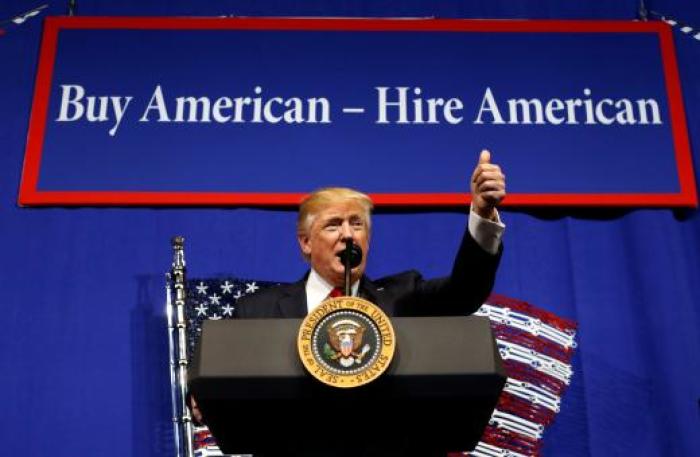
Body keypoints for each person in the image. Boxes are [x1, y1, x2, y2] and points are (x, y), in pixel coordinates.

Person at [235, 149, 506, 318]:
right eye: (333, 225)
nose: (348, 234)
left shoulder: (404, 298)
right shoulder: (258, 311)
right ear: (306, 242)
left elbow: (464, 292)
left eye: (357, 224)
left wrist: (482, 215)